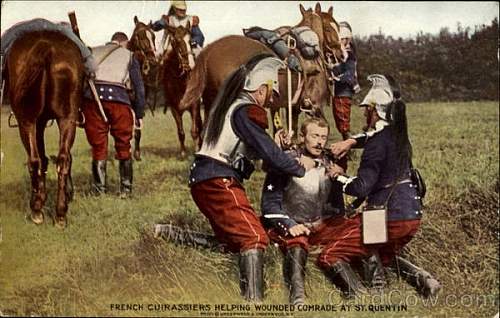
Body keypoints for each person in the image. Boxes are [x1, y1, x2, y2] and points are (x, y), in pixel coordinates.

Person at [188, 54, 306, 302]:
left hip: (205, 178)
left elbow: (255, 152)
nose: (271, 99)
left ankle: (170, 235)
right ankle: (254, 303)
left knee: (232, 241)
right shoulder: (246, 111)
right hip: (218, 179)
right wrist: (300, 166)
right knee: (254, 236)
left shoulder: (233, 107)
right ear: (261, 89)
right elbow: (270, 156)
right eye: (270, 92)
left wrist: (277, 147)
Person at [328, 74, 440, 297]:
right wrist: (350, 141)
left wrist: (337, 177)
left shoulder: (376, 144)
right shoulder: (399, 135)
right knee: (381, 254)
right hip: (412, 214)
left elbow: (360, 188)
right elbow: (375, 135)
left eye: (365, 109)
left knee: (332, 254)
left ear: (373, 110)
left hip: (387, 216)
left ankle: (371, 296)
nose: (363, 113)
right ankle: (424, 280)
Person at [261, 118, 369, 303]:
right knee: (297, 244)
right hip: (293, 222)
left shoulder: (330, 161)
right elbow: (269, 203)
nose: (320, 142)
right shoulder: (286, 160)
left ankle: (367, 290)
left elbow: (354, 192)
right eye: (315, 136)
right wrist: (288, 224)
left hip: (322, 224)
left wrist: (341, 177)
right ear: (303, 137)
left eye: (323, 137)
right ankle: (298, 298)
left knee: (364, 231)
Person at [82, 32, 145, 198]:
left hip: (92, 101)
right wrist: (139, 113)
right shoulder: (129, 55)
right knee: (124, 144)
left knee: (98, 146)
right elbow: (139, 88)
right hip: (119, 101)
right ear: (123, 43)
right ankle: (125, 190)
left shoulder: (91, 51)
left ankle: (99, 190)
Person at [330, 21, 360, 141]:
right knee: (340, 119)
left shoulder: (349, 54)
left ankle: (348, 145)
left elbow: (349, 74)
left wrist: (335, 77)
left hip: (344, 90)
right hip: (339, 91)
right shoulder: (342, 54)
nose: (340, 42)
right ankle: (347, 142)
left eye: (342, 39)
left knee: (343, 120)